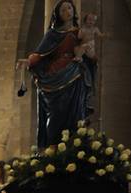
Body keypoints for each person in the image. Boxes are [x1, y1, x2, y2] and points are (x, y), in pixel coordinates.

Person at [18, 1, 93, 147]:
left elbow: (89, 51)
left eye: (69, 8)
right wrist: (28, 61)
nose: (67, 12)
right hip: (54, 76)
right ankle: (52, 148)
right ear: (58, 15)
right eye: (63, 10)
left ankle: (75, 146)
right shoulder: (52, 34)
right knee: (55, 115)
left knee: (76, 114)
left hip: (74, 75)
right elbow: (39, 53)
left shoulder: (79, 32)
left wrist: (87, 50)